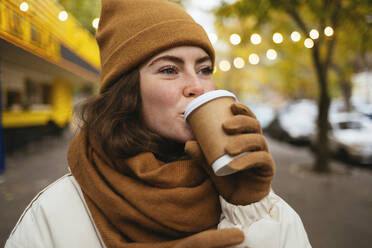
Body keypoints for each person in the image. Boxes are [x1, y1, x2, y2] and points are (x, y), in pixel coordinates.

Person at [5, 0, 311, 247]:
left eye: (204, 69)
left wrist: (250, 210)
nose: (197, 86)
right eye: (169, 69)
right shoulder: (55, 212)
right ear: (127, 91)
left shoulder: (251, 195)